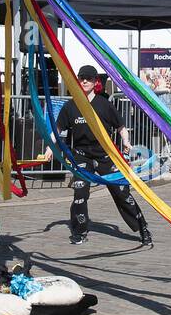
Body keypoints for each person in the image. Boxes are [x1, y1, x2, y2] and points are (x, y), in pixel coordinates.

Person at [40, 65, 153, 248]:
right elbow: (57, 129)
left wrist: (126, 141)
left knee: (122, 193)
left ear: (95, 82)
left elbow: (121, 127)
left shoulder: (103, 104)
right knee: (80, 193)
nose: (84, 81)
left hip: (105, 155)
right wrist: (50, 147)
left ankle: (142, 228)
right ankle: (79, 232)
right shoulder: (71, 106)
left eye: (88, 78)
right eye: (81, 78)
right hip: (82, 156)